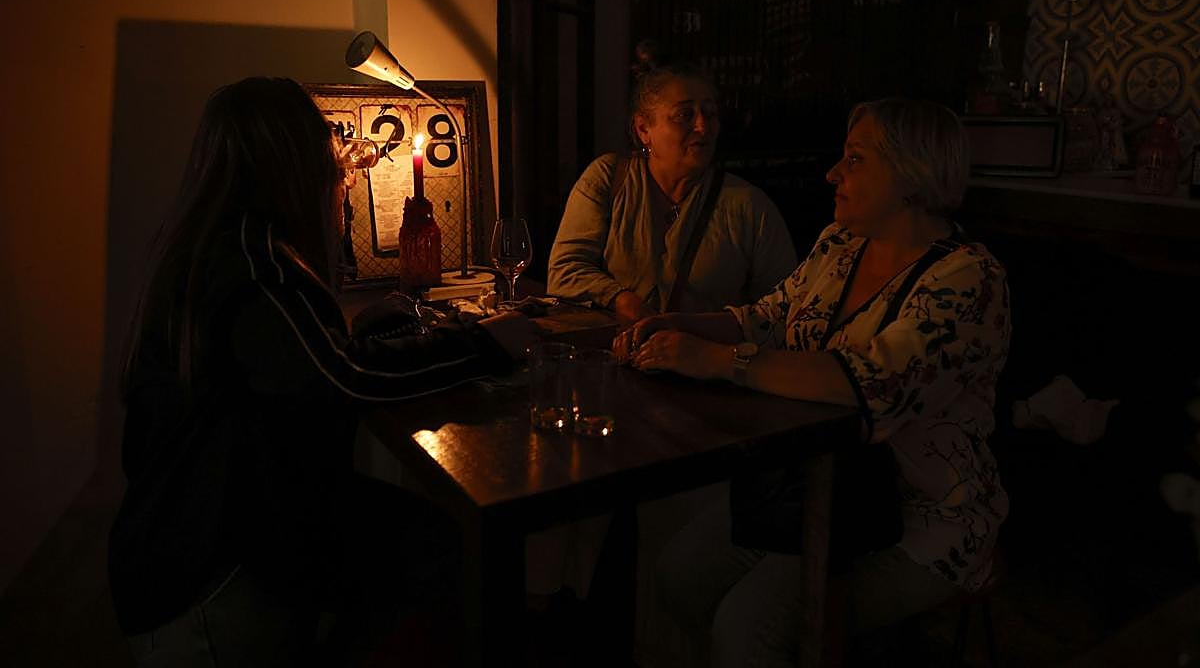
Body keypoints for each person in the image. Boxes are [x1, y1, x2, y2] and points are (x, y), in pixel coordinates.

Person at [108, 77, 535, 667]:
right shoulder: (258, 266)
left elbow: (285, 366)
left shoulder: (214, 243)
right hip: (208, 578)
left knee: (423, 539)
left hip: (187, 543)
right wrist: (486, 343)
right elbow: (345, 380)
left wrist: (349, 335)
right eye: (333, 160)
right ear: (295, 168)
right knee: (446, 547)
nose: (345, 176)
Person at [614, 97, 1011, 666]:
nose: (833, 173)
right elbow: (766, 315)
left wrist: (720, 361)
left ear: (910, 174)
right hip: (807, 490)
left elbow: (870, 381)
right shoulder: (840, 244)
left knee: (746, 628)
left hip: (914, 519)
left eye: (854, 160)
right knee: (678, 576)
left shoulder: (968, 280)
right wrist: (674, 324)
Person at [547, 43, 797, 324]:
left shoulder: (749, 207)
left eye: (710, 113)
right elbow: (565, 270)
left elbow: (784, 308)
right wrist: (621, 299)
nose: (703, 126)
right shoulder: (608, 178)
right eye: (685, 115)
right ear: (644, 129)